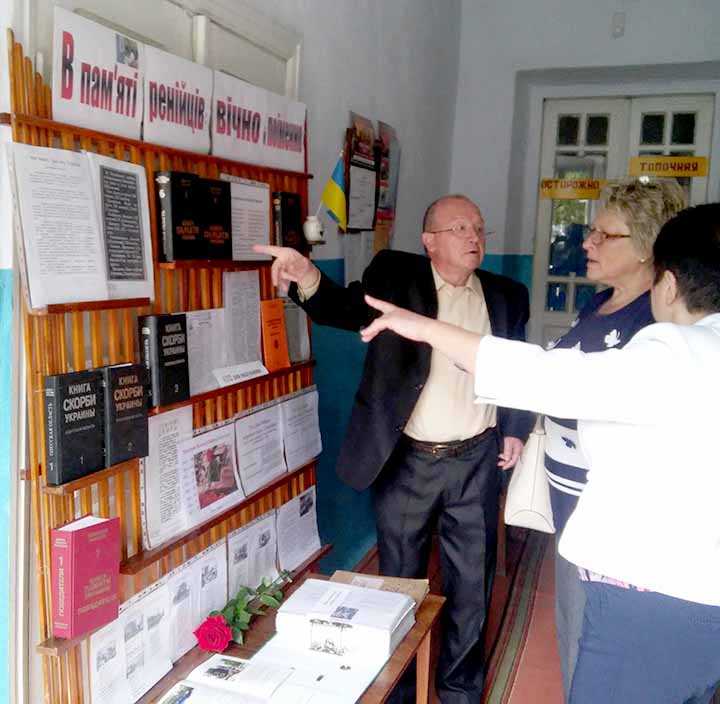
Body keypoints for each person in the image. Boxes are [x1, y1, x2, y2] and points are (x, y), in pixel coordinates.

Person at [359, 202, 720, 704]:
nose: (588, 243)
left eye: (604, 235)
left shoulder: (675, 351)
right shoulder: (631, 319)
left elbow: (546, 377)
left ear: (668, 282)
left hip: (653, 595)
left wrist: (421, 327)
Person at [255, 194, 534, 703]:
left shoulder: (507, 295)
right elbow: (343, 309)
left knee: (472, 584)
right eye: (459, 228)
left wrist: (516, 427)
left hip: (477, 458)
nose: (474, 237)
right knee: (400, 586)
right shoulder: (397, 279)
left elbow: (520, 367)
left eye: (478, 228)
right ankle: (401, 691)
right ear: (429, 242)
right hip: (408, 461)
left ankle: (459, 691)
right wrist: (307, 275)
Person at [543, 178, 685, 699]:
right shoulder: (599, 303)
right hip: (570, 507)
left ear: (646, 247)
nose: (588, 242)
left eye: (605, 234)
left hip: (613, 522)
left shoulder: (655, 322)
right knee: (572, 628)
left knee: (600, 646)